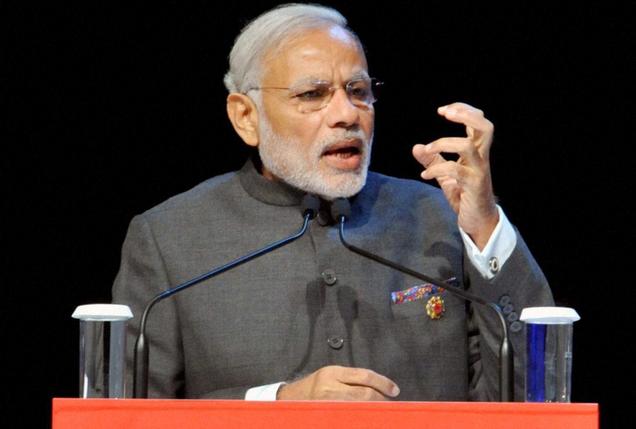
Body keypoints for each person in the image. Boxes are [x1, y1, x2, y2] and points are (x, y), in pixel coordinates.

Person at [112, 3, 553, 401]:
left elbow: (537, 391)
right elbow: (128, 414)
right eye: (313, 94)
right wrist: (277, 404)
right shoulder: (169, 238)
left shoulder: (438, 217)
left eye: (359, 90)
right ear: (246, 116)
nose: (347, 114)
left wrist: (485, 229)